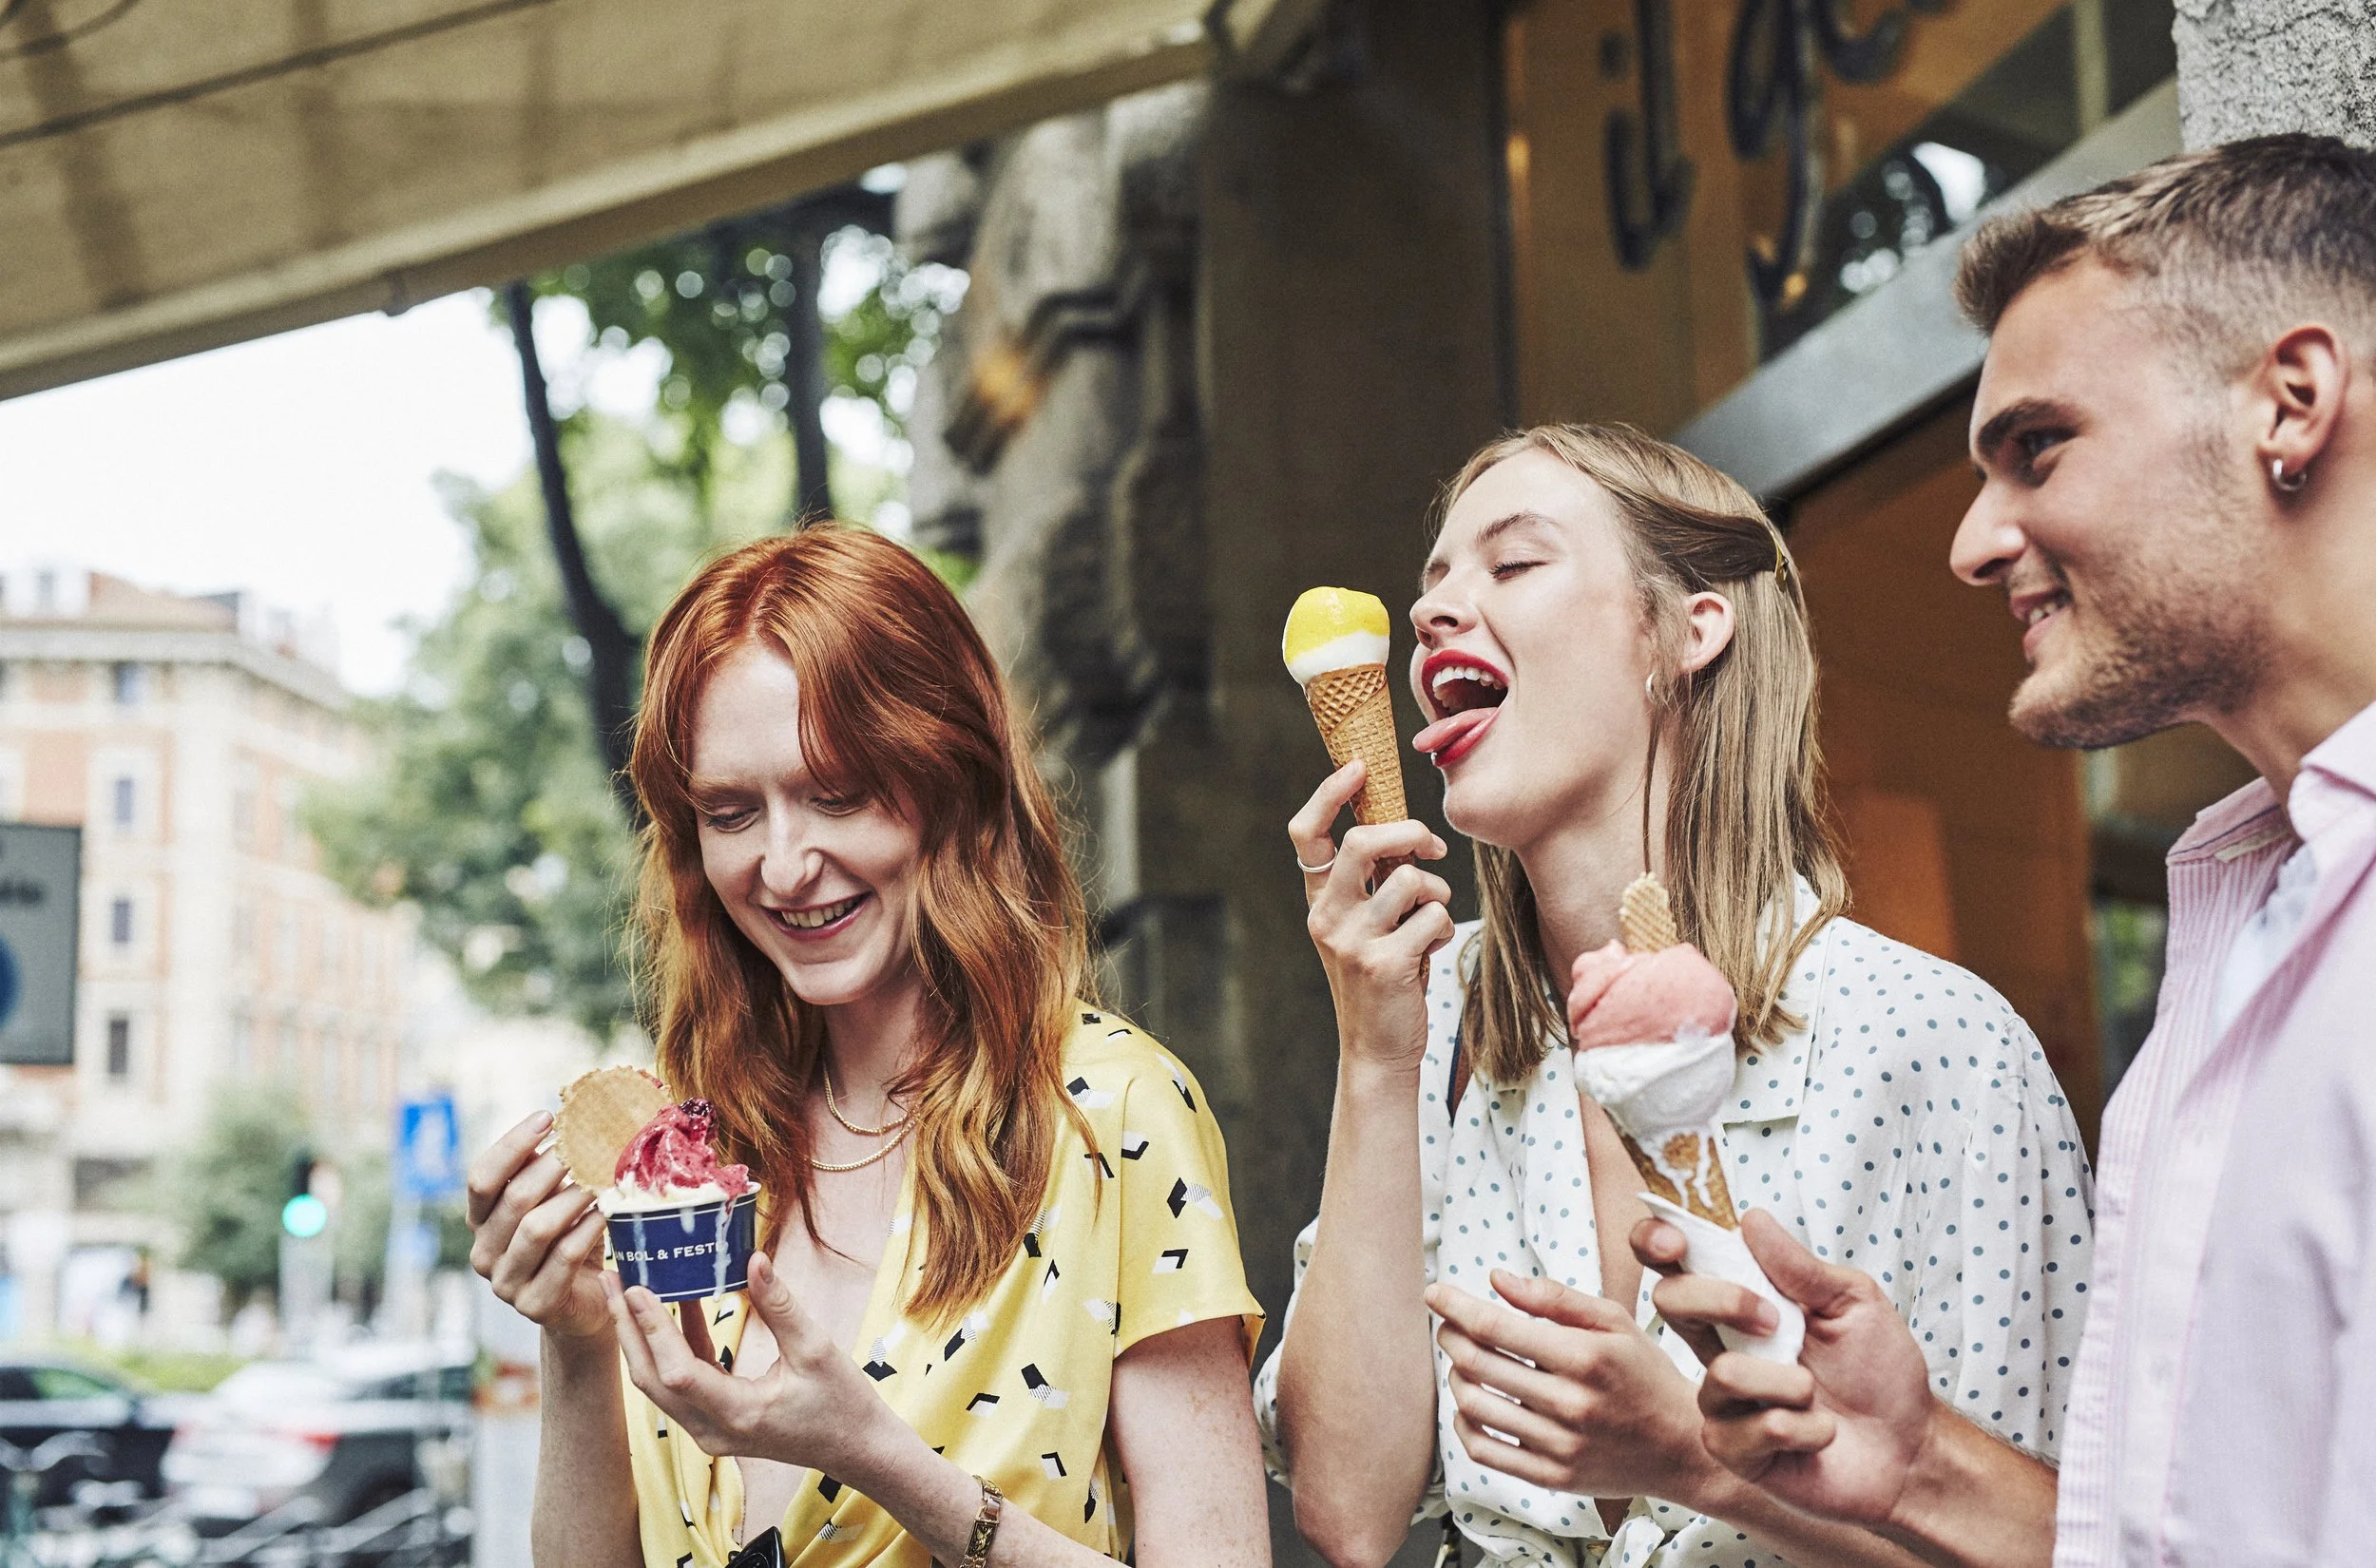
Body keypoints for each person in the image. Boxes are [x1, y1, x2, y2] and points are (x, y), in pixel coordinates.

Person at [1648, 134, 2376, 1568]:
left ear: (2291, 402)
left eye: (2037, 447)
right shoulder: (2251, 913)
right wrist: (1924, 1468)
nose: (1976, 539)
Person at [1254, 422, 2095, 1568]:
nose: (1432, 613)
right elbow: (1347, 1514)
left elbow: (2064, 1549)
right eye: (1432, 583)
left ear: (1689, 630)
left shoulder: (1930, 1039)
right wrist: (1375, 1056)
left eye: (1513, 563)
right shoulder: (1432, 1017)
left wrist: (1694, 1461)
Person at [466, 526, 1270, 1568]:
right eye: (730, 810)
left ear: (950, 777)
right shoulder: (682, 1158)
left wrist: (883, 1461)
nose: (786, 863)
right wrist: (576, 1337)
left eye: (837, 792)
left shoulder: (1109, 1109)